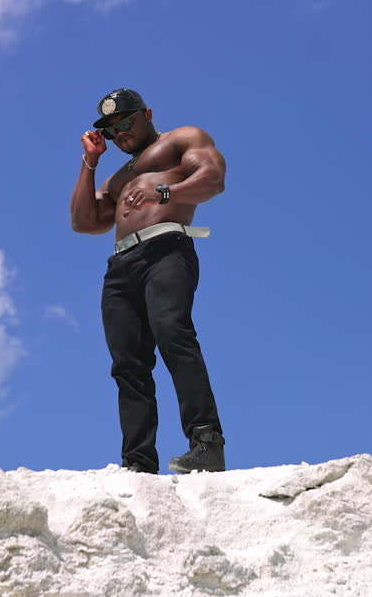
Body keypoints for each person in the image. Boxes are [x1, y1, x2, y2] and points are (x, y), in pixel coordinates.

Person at [70, 87, 228, 474]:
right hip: (122, 263)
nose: (120, 132)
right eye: (110, 130)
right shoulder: (119, 176)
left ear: (148, 114)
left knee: (173, 332)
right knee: (128, 363)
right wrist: (90, 163)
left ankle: (206, 442)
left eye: (125, 122)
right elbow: (84, 222)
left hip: (165, 248)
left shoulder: (182, 139)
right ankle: (138, 461)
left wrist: (167, 190)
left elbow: (213, 178)